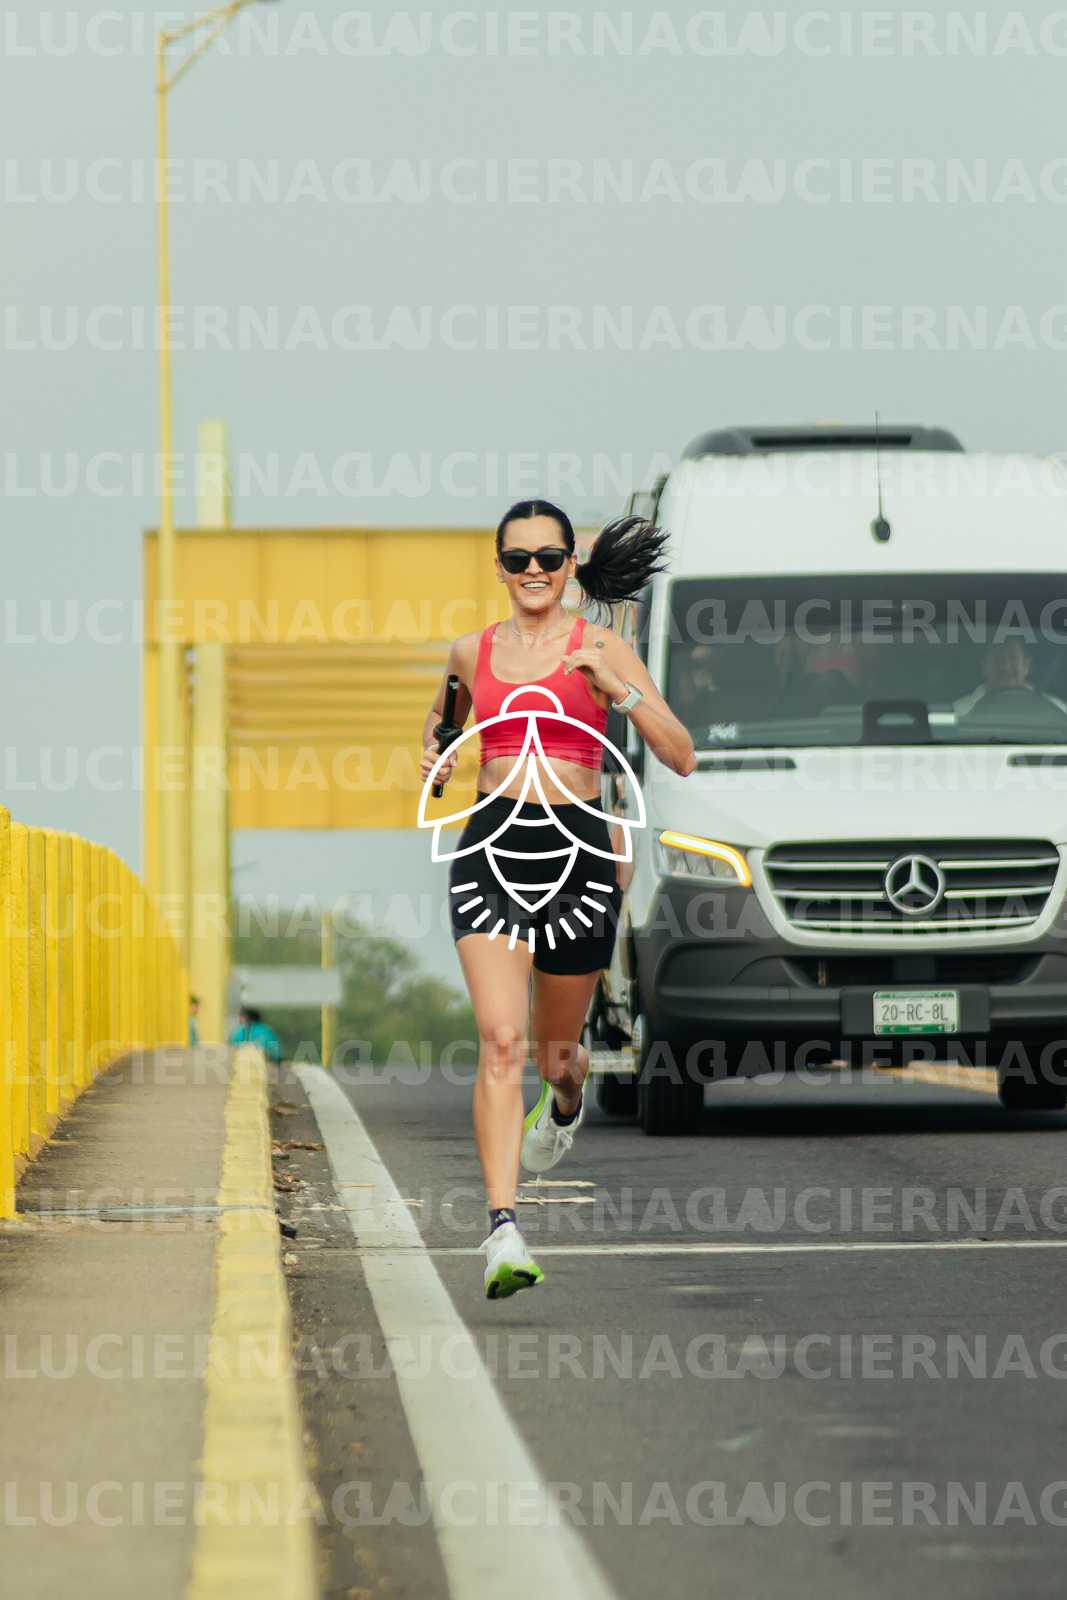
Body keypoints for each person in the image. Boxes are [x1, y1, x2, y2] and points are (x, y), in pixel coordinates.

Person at [420, 500, 696, 1299]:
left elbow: (681, 755)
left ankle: (566, 1101)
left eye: (548, 557)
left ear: (571, 564)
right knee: (500, 1039)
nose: (534, 571)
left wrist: (619, 693)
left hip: (578, 854)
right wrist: (436, 758)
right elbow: (441, 726)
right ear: (499, 568)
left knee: (555, 1057)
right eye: (518, 560)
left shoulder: (602, 647)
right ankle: (502, 1229)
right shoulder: (470, 652)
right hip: (491, 847)